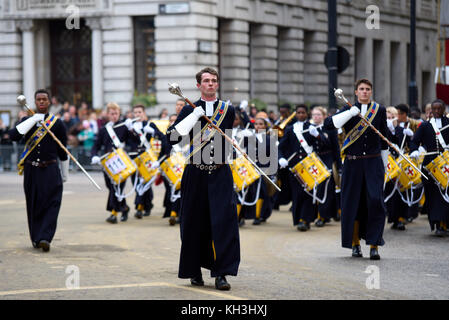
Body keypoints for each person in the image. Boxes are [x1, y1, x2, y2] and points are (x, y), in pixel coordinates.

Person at [166, 67, 239, 290]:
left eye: (213, 81)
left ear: (217, 84)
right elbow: (172, 137)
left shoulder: (227, 109)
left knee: (223, 223)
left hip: (220, 170)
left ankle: (221, 273)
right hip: (195, 171)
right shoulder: (189, 109)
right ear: (198, 85)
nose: (210, 84)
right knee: (193, 222)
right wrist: (194, 115)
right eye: (206, 81)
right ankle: (194, 270)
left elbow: (226, 138)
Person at [324, 79, 389, 260]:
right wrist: (350, 113)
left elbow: (384, 139)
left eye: (368, 89)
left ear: (371, 91)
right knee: (352, 203)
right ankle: (355, 244)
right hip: (353, 163)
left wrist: (384, 167)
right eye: (361, 89)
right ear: (356, 92)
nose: (365, 92)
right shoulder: (348, 109)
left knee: (376, 202)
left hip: (373, 163)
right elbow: (328, 125)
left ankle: (374, 244)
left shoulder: (379, 110)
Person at [8, 89, 69, 252]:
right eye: (38, 99)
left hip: (50, 169)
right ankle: (36, 237)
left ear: (49, 102)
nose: (41, 102)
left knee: (52, 203)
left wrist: (65, 173)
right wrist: (32, 120)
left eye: (44, 99)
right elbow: (13, 135)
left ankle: (45, 238)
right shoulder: (27, 120)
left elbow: (63, 150)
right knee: (34, 204)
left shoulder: (57, 123)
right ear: (35, 102)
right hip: (32, 169)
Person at [90, 102, 140, 223]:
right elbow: (96, 145)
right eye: (112, 114)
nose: (114, 116)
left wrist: (131, 129)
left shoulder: (124, 126)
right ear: (108, 114)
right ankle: (124, 208)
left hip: (121, 162)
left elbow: (136, 141)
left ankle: (113, 213)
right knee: (111, 186)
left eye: (116, 113)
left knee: (117, 187)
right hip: (108, 163)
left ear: (119, 114)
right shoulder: (103, 129)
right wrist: (94, 156)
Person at [410, 99, 449, 236]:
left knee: (445, 193)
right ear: (431, 109)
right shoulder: (425, 126)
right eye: (434, 109)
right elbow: (414, 142)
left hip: (446, 163)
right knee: (433, 195)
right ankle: (437, 223)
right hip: (430, 165)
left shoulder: (448, 124)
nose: (437, 111)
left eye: (440, 109)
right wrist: (414, 151)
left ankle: (445, 223)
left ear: (444, 109)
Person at [278, 104, 319, 231]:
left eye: (303, 112)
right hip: (295, 166)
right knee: (297, 194)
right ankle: (299, 219)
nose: (301, 114)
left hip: (309, 164)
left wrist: (318, 135)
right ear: (295, 114)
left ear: (307, 114)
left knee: (308, 193)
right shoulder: (290, 129)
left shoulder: (311, 128)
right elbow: (281, 147)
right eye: (298, 112)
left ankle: (305, 220)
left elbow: (323, 145)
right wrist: (281, 158)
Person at [310, 106, 342, 227]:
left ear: (324, 116)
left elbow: (334, 147)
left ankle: (322, 216)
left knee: (326, 188)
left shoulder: (329, 128)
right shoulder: (309, 128)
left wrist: (339, 166)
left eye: (318, 115)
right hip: (314, 160)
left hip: (327, 159)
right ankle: (321, 214)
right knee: (316, 187)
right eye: (314, 115)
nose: (316, 117)